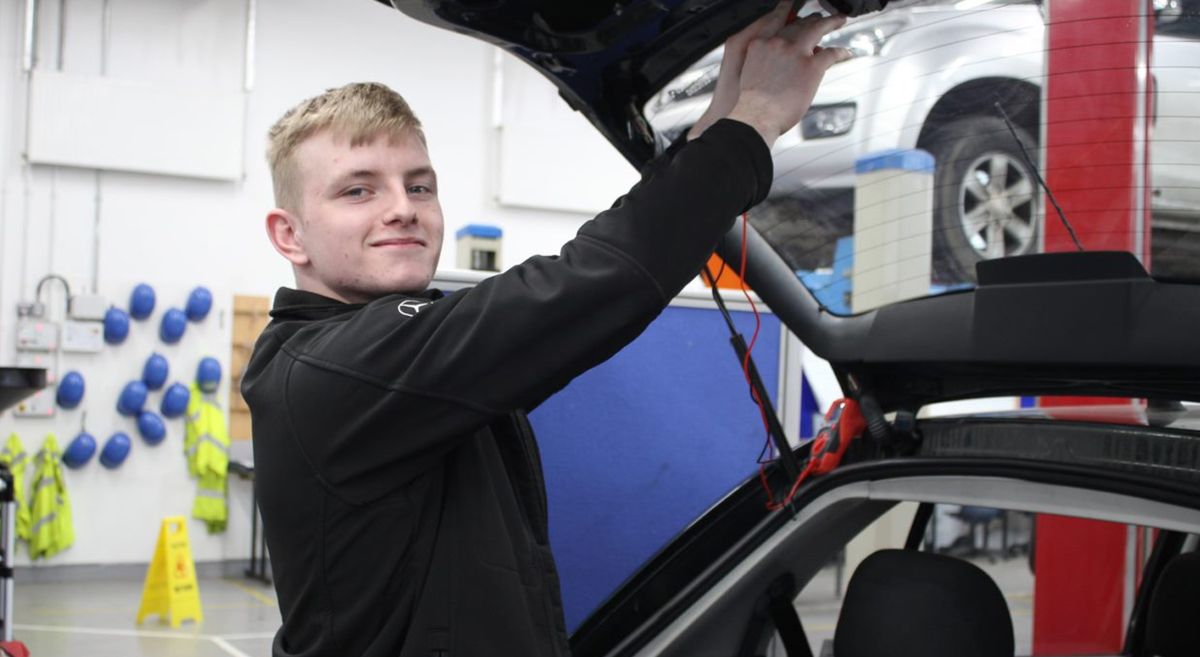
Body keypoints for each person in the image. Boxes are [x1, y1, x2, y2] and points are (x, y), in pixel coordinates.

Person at [241, 5, 851, 656]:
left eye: (419, 187)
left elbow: (605, 265)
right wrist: (756, 119)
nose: (402, 209)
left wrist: (726, 106)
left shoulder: (380, 357)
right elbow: (593, 280)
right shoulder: (335, 368)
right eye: (357, 191)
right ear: (289, 235)